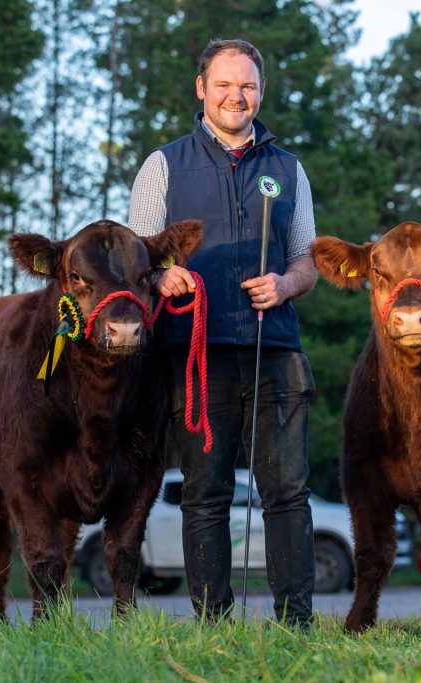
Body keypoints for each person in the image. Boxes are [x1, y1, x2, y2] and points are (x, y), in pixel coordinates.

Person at [128, 39, 318, 626]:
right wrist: (163, 275)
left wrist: (285, 286)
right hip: (195, 357)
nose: (237, 96)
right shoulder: (163, 165)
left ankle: (297, 624)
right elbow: (137, 259)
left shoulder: (287, 167)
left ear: (260, 92)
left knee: (287, 492)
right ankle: (213, 624)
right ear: (201, 89)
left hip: (275, 352)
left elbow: (307, 259)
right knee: (205, 494)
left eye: (248, 86)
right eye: (225, 85)